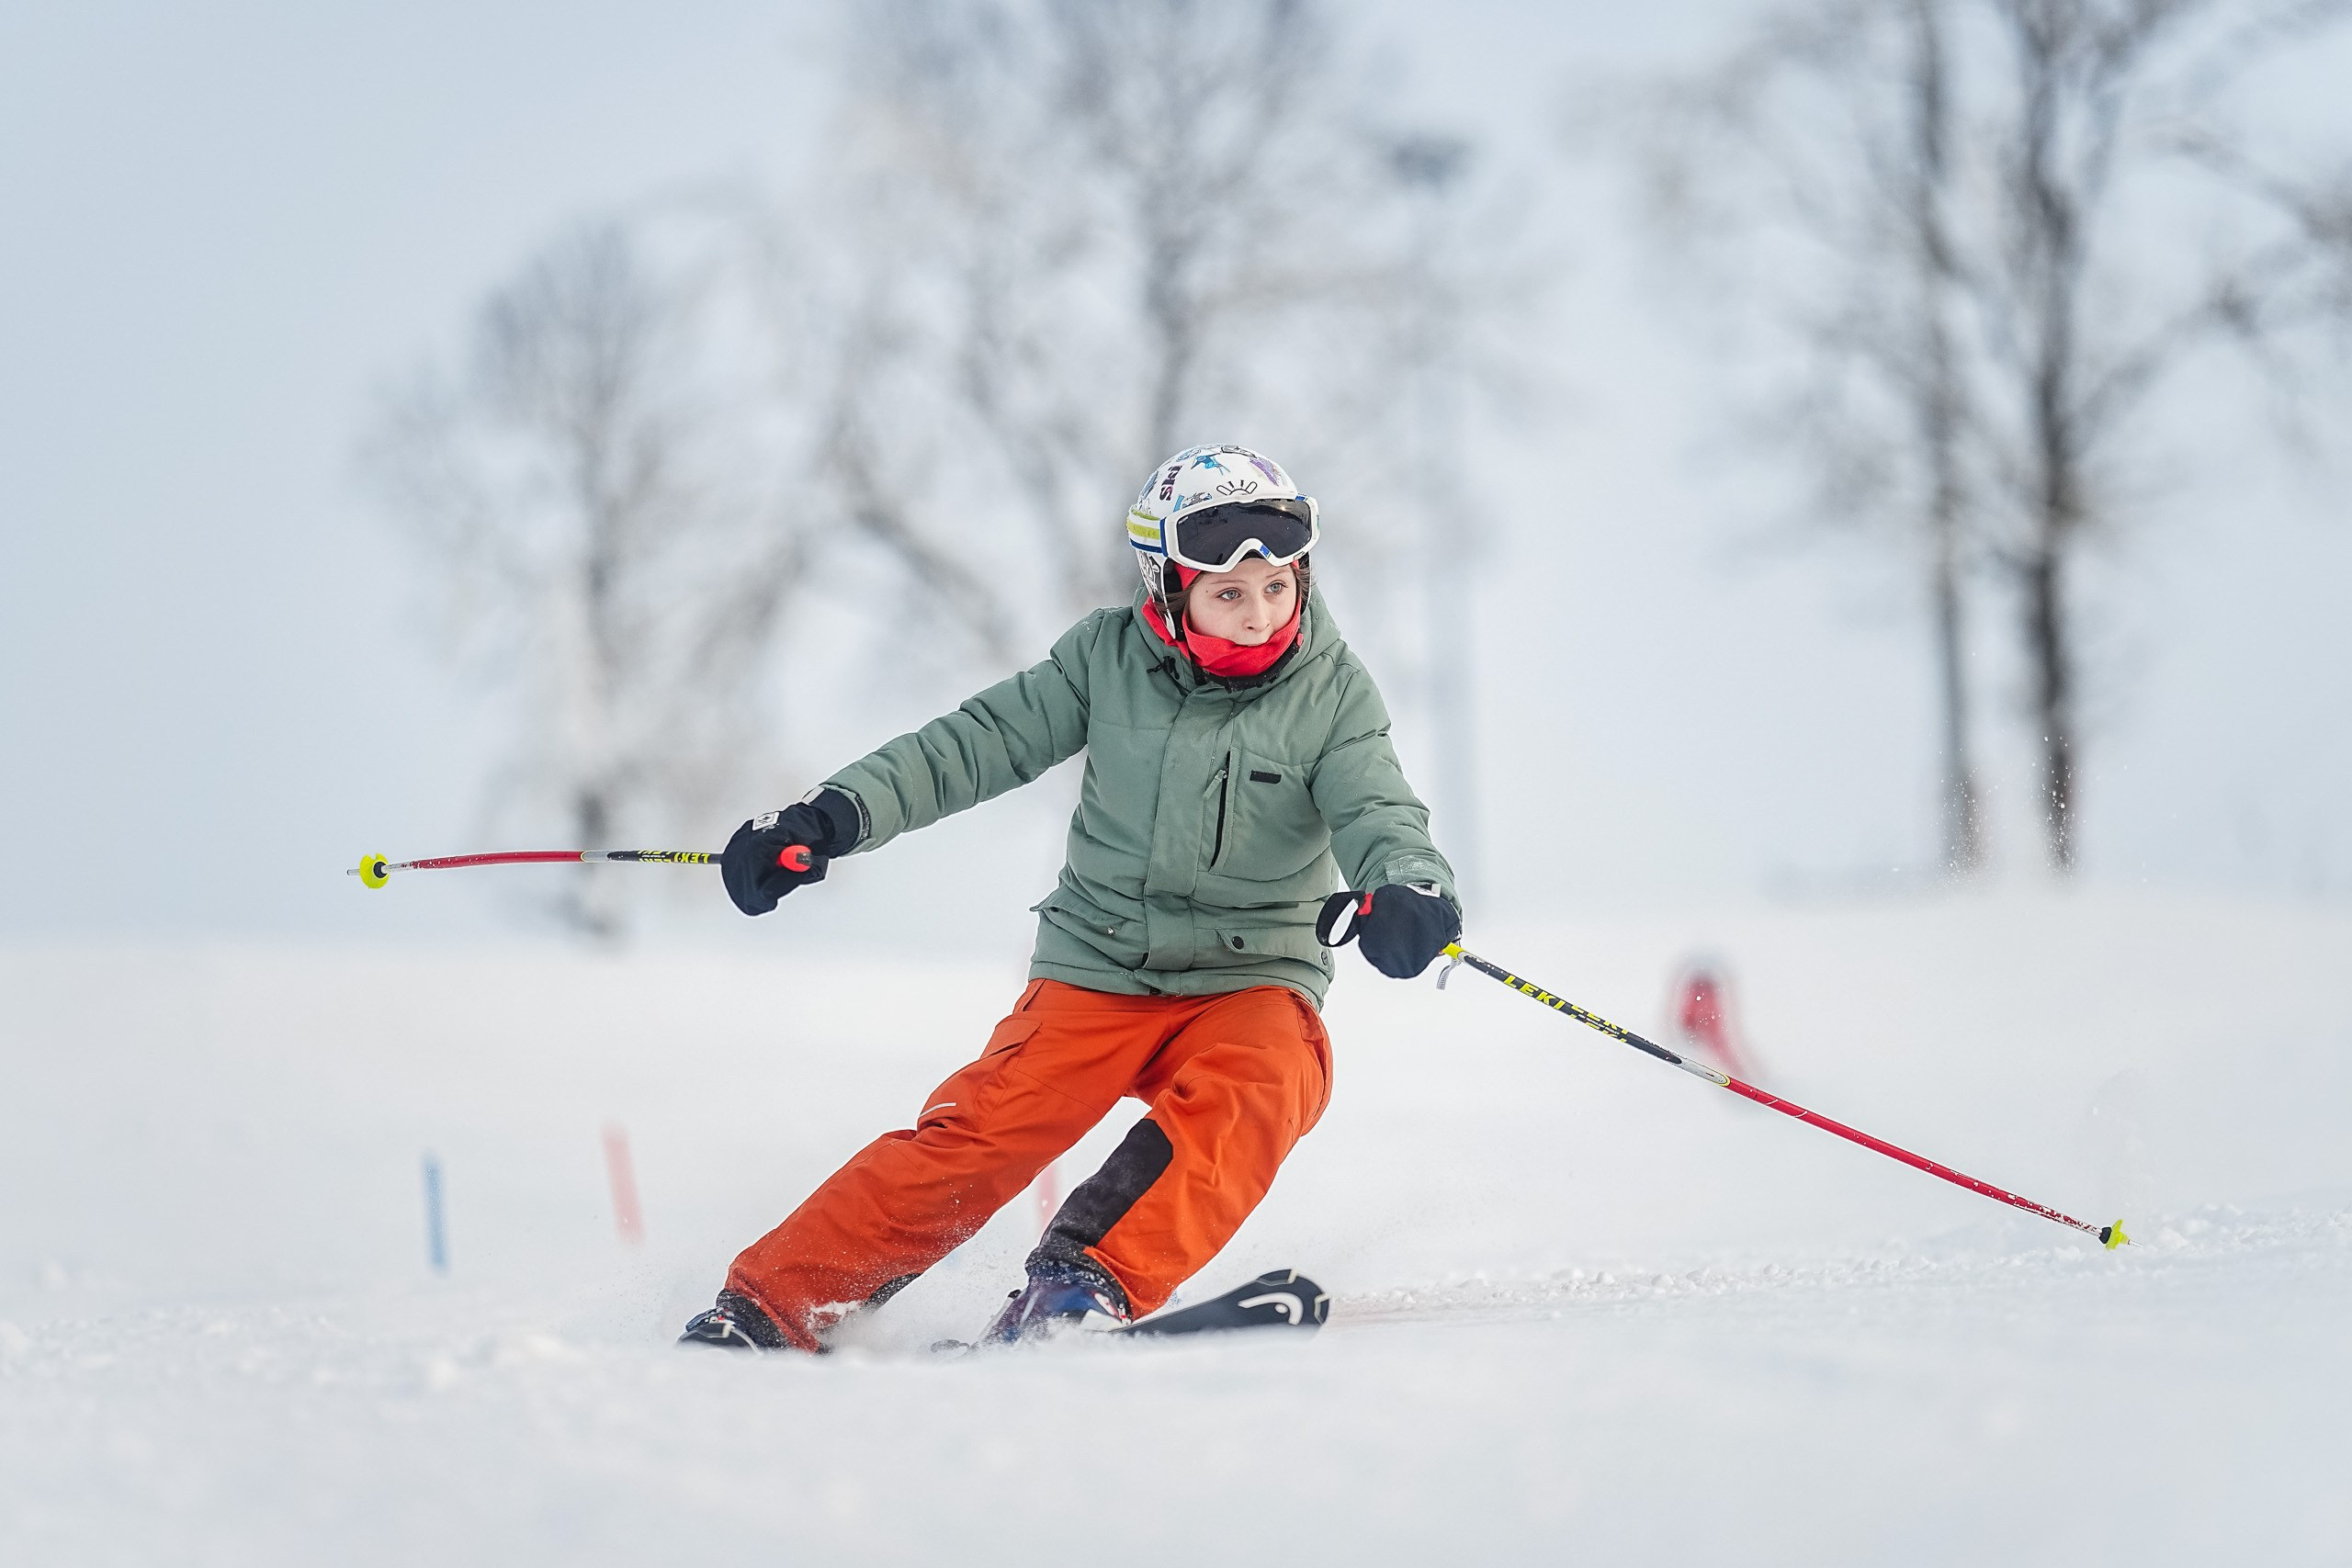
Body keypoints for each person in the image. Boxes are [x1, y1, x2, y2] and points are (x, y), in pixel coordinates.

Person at [680, 444, 1462, 1352]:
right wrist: (830, 815)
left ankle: (1078, 1285)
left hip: (1250, 978)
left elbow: (1376, 804)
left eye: (1277, 589)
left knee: (1264, 1084)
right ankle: (774, 1307)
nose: (1258, 618)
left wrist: (1405, 887)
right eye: (1227, 594)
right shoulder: (1103, 659)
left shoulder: (1330, 691)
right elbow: (970, 746)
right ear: (1168, 588)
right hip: (1097, 969)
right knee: (982, 1133)